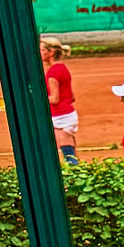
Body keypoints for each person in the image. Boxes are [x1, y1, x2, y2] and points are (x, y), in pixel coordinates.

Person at [42, 37, 77, 166]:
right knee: (70, 153)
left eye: (42, 50)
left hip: (60, 116)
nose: (40, 53)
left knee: (69, 157)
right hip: (68, 114)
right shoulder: (62, 68)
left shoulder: (52, 72)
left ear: (51, 52)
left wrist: (37, 99)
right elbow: (71, 97)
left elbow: (55, 99)